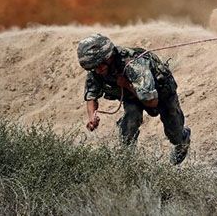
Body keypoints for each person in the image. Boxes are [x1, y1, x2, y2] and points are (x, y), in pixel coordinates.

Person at [77, 33, 191, 165]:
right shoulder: (98, 68)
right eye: (93, 67)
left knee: (174, 133)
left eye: (100, 65)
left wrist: (126, 85)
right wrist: (92, 117)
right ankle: (128, 160)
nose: (98, 70)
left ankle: (183, 140)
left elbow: (152, 102)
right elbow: (91, 96)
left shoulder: (134, 65)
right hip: (132, 96)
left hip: (161, 94)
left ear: (109, 57)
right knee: (130, 120)